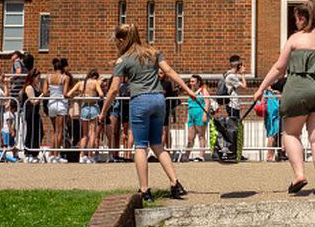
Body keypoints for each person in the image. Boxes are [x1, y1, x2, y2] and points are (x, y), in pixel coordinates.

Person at [253, 0, 315, 196]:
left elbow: (279, 68)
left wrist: (261, 87)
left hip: (298, 88)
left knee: (291, 133)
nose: (296, 23)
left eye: (297, 19)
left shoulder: (296, 39)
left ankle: (299, 174)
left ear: (303, 17)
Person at [99, 24, 196, 201]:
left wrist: (103, 111)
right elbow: (168, 71)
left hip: (140, 101)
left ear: (121, 40)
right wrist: (188, 90)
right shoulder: (153, 52)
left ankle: (145, 190)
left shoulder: (123, 60)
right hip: (159, 100)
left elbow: (113, 89)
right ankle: (175, 183)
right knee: (158, 144)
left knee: (141, 146)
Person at [68, 69, 103, 163]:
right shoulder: (95, 82)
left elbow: (68, 94)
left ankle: (82, 155)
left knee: (84, 134)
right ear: (95, 76)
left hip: (84, 108)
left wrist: (79, 95)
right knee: (92, 133)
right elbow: (101, 94)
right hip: (93, 108)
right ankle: (90, 155)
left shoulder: (80, 83)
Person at [43, 59, 70, 163]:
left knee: (54, 131)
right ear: (62, 68)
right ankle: (56, 155)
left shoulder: (48, 77)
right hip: (61, 104)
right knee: (60, 131)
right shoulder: (65, 77)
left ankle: (51, 154)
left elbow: (45, 92)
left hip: (51, 103)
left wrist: (52, 90)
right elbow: (65, 93)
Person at [184, 75, 210, 162]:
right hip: (191, 115)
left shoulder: (203, 90)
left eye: (193, 81)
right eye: (190, 81)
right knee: (190, 137)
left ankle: (201, 154)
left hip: (200, 113)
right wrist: (188, 116)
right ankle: (186, 154)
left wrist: (205, 115)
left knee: (201, 135)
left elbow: (207, 102)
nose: (191, 83)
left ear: (198, 82)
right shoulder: (190, 91)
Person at [21, 68, 43, 163]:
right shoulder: (29, 87)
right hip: (30, 112)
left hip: (35, 112)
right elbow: (33, 101)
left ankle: (34, 152)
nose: (38, 79)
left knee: (39, 132)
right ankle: (28, 152)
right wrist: (43, 95)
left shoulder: (36, 87)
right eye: (38, 78)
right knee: (31, 132)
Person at [224, 55, 247, 120]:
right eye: (241, 64)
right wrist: (242, 74)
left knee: (235, 125)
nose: (242, 66)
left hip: (234, 104)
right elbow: (244, 86)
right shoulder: (231, 76)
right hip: (233, 104)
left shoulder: (228, 73)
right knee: (234, 126)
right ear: (238, 64)